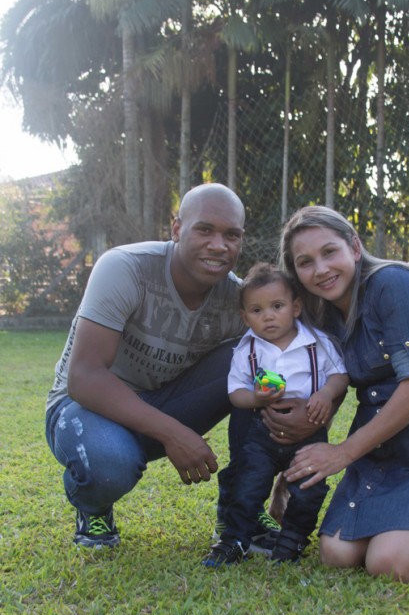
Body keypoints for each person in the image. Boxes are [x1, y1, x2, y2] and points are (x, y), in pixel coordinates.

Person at [45, 183, 276, 550]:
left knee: (257, 359)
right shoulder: (126, 267)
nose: (219, 245)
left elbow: (288, 355)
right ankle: (94, 507)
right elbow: (84, 377)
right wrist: (175, 434)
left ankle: (239, 510)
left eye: (231, 235)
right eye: (205, 230)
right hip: (85, 407)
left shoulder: (238, 300)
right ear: (177, 228)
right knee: (109, 465)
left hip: (164, 401)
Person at [261, 205, 409, 582]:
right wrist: (291, 473)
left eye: (329, 252)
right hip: (380, 442)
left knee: (390, 563)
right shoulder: (322, 314)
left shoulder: (393, 284)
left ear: (354, 247)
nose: (321, 269)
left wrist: (342, 453)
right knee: (335, 553)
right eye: (305, 262)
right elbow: (330, 395)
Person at [202, 263, 348, 567]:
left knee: (309, 488)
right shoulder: (247, 350)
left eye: (277, 306)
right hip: (262, 432)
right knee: (247, 485)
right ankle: (234, 541)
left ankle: (292, 540)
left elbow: (339, 376)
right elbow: (236, 392)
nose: (268, 316)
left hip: (309, 432)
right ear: (245, 317)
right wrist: (255, 397)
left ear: (296, 308)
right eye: (257, 310)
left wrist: (325, 394)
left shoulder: (316, 343)